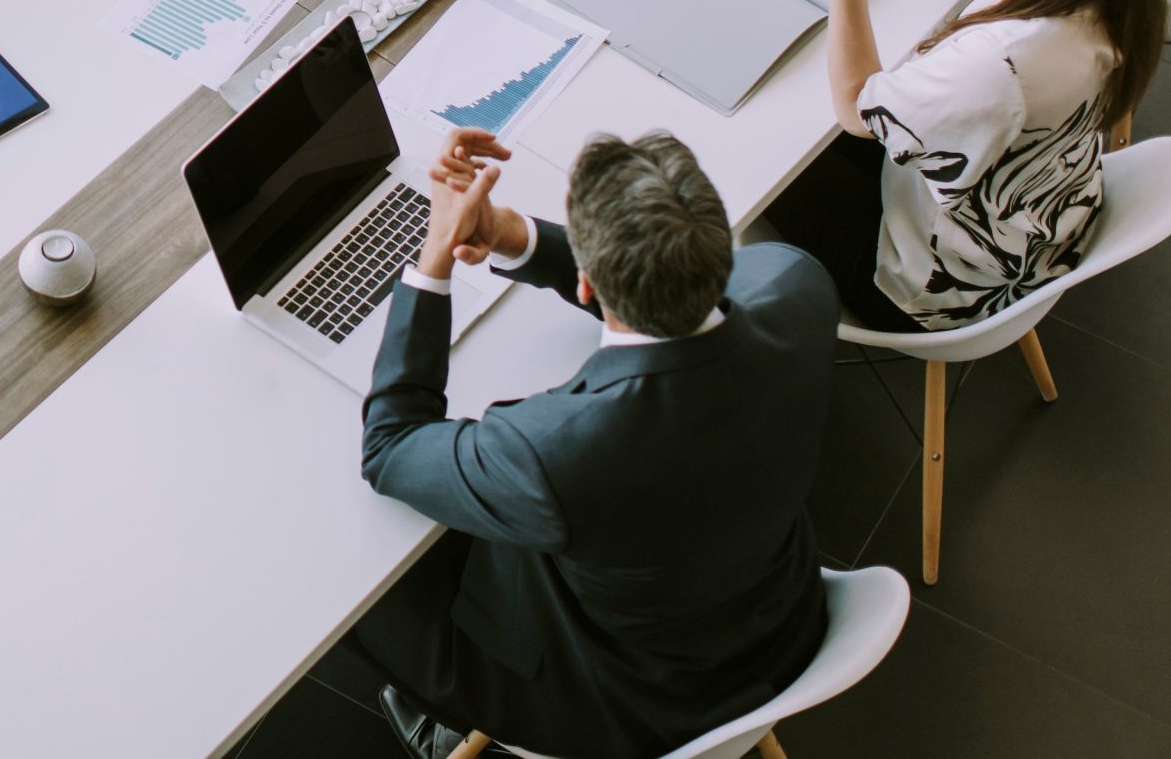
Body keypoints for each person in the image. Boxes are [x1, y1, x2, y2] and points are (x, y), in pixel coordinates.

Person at [344, 127, 834, 759]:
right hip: (782, 623)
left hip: (637, 702)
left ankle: (445, 726)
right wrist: (512, 235)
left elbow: (389, 445)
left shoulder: (552, 452)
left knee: (365, 592)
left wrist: (434, 256)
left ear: (585, 284)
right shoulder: (799, 287)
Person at [770, 0, 1166, 331]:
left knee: (762, 163)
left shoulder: (1000, 65)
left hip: (936, 283)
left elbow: (854, 106)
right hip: (1034, 219)